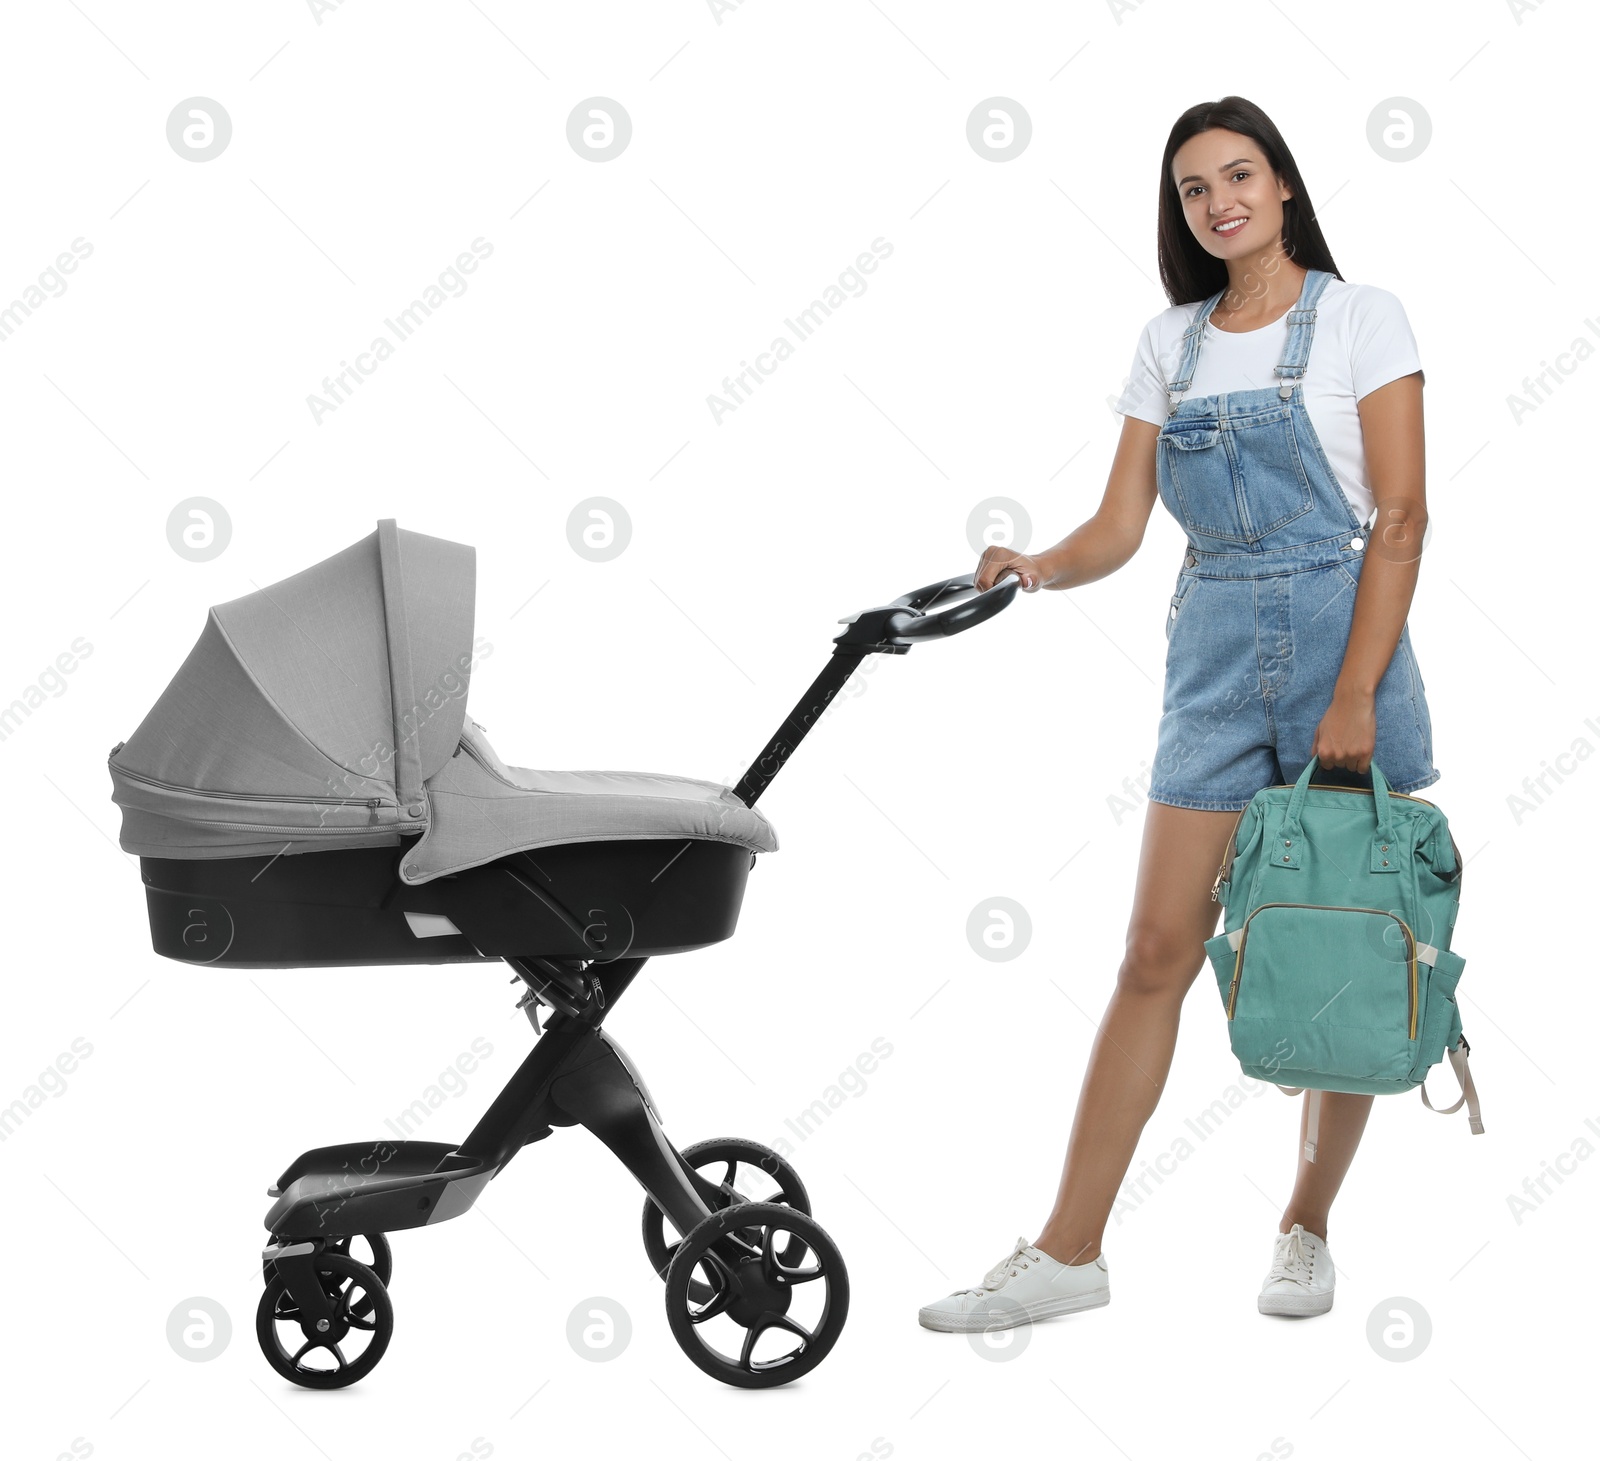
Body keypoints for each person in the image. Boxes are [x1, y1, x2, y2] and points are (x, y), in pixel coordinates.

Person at [919, 95, 1436, 1333]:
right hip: (1208, 657)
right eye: (1195, 188)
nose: (1219, 202)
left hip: (1336, 638)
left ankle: (1305, 1225)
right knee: (1156, 951)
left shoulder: (1364, 316)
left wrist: (1355, 688)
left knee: (1339, 951)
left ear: (1285, 186)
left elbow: (1402, 518)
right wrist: (1032, 564)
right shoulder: (1172, 342)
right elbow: (1119, 526)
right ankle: (1068, 1253)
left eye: (1239, 175)